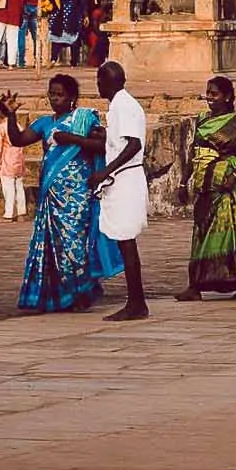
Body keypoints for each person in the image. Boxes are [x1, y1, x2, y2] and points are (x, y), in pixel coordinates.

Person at [4, 72, 123, 312]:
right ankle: (59, 296)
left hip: (77, 195)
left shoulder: (85, 119)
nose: (55, 99)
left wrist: (72, 139)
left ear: (72, 97)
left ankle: (80, 292)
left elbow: (102, 145)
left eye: (60, 95)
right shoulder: (44, 123)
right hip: (52, 195)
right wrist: (10, 115)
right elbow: (18, 140)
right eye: (52, 94)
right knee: (54, 246)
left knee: (74, 245)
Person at [180, 74, 236, 301]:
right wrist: (183, 182)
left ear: (228, 97)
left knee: (232, 234)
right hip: (204, 185)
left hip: (226, 188)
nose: (210, 98)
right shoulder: (202, 120)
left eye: (215, 94)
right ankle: (195, 285)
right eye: (208, 94)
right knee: (201, 233)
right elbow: (193, 154)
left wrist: (233, 177)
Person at [89, 61, 152, 321]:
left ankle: (137, 303)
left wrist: (106, 170)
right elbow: (121, 141)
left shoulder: (124, 106)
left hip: (126, 178)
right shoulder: (118, 107)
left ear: (109, 81)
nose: (98, 85)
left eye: (100, 81)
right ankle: (135, 301)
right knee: (125, 242)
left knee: (127, 243)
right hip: (122, 177)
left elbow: (134, 145)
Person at [0, 103, 29, 220]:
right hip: (19, 158)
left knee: (8, 187)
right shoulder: (17, 125)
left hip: (7, 159)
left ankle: (9, 213)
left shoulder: (2, 127)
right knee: (19, 186)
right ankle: (21, 212)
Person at [47, 0, 87, 64]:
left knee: (57, 34)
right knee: (73, 34)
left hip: (59, 10)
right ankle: (74, 60)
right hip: (73, 11)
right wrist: (85, 14)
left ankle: (54, 58)